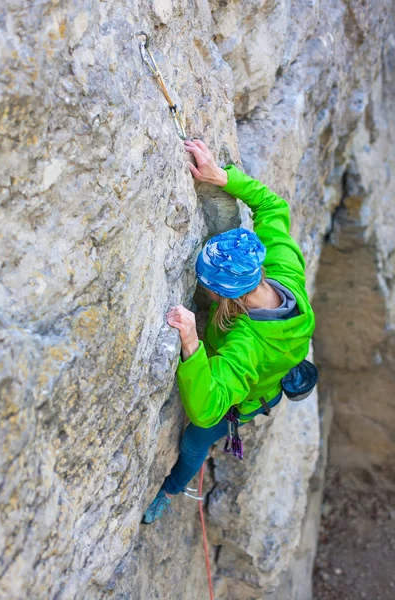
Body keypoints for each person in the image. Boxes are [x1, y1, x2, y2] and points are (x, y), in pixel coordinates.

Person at [142, 139, 315, 524]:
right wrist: (222, 178)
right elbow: (272, 206)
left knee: (194, 442)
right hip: (275, 361)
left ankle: (171, 489)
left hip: (247, 396)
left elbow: (206, 410)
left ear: (221, 293)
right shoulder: (282, 271)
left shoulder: (247, 345)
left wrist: (191, 343)